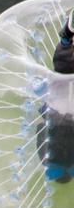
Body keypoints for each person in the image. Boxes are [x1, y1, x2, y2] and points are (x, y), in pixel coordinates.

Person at [36, 12, 74, 184]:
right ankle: (66, 42)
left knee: (61, 76)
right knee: (61, 76)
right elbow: (42, 134)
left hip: (61, 116)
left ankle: (66, 42)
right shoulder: (51, 160)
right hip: (58, 116)